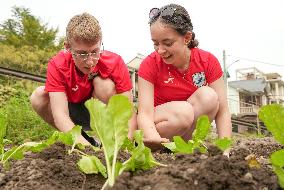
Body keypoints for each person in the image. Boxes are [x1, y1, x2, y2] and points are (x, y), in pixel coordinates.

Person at [30, 13, 137, 146]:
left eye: (95, 51)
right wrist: (87, 150)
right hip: (73, 113)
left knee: (104, 85)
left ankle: (110, 141)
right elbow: (60, 115)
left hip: (102, 113)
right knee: (38, 96)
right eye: (82, 54)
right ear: (68, 47)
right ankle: (86, 141)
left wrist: (124, 145)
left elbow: (128, 110)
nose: (90, 61)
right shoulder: (58, 65)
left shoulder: (115, 62)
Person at [137, 4, 232, 150]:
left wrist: (225, 150)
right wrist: (152, 137)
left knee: (209, 97)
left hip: (184, 129)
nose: (160, 50)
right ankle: (160, 148)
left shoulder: (207, 61)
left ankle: (182, 148)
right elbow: (144, 113)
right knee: (184, 112)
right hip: (156, 129)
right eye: (155, 43)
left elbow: (223, 111)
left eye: (167, 43)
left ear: (187, 37)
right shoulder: (149, 64)